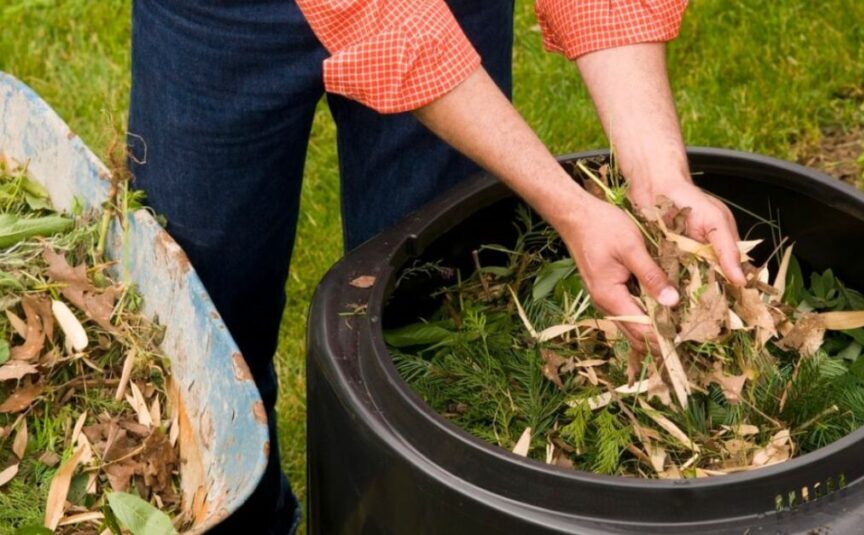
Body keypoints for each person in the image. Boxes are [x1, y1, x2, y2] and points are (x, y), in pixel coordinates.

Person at [127, 0, 744, 532]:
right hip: (219, 19)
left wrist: (659, 177)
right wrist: (568, 207)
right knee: (204, 340)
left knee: (431, 320)